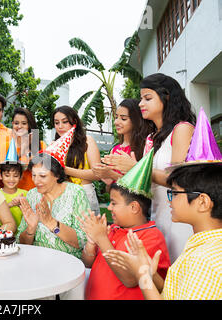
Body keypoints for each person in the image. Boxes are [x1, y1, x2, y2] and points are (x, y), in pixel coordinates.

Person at [104, 73, 196, 262]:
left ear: (167, 97)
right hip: (156, 217)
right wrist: (119, 173)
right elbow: (148, 183)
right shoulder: (152, 138)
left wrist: (137, 168)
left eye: (147, 98)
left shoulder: (182, 129)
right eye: (141, 99)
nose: (140, 104)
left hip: (179, 220)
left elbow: (180, 180)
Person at [104, 163, 222, 299]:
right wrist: (149, 272)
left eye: (175, 193)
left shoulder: (202, 261)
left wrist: (141, 273)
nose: (169, 200)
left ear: (203, 202)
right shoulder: (207, 248)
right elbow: (173, 293)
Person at [80, 150, 170, 300]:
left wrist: (102, 239)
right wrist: (91, 243)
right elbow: (87, 263)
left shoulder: (150, 237)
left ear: (134, 207)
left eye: (114, 203)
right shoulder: (113, 230)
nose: (109, 208)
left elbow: (130, 280)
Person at [17, 127, 89, 258]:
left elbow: (83, 241)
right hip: (36, 260)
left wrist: (51, 222)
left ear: (56, 175)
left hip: (67, 262)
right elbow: (21, 242)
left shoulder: (76, 193)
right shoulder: (32, 194)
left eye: (42, 176)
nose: (36, 181)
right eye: (34, 175)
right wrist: (31, 228)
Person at [52, 106, 101, 215]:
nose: (60, 126)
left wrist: (65, 170)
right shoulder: (54, 145)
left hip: (85, 194)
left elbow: (97, 174)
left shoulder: (87, 141)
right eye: (56, 123)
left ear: (74, 122)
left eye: (65, 122)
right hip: (61, 196)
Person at [93, 99, 153, 185]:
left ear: (136, 120)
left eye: (123, 118)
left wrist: (113, 175)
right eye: (116, 117)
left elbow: (141, 183)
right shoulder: (115, 150)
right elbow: (110, 188)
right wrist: (107, 178)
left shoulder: (144, 148)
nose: (116, 122)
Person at [0, 107, 47, 191]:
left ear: (29, 125)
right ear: (12, 124)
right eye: (16, 123)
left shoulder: (41, 145)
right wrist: (21, 150)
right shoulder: (5, 146)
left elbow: (45, 170)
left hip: (36, 193)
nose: (19, 126)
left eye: (24, 123)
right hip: (13, 194)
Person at [0, 162, 27, 231]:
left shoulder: (25, 194)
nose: (11, 179)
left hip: (23, 236)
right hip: (3, 235)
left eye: (15, 176)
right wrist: (10, 204)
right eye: (7, 175)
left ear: (21, 176)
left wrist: (24, 203)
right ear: (0, 176)